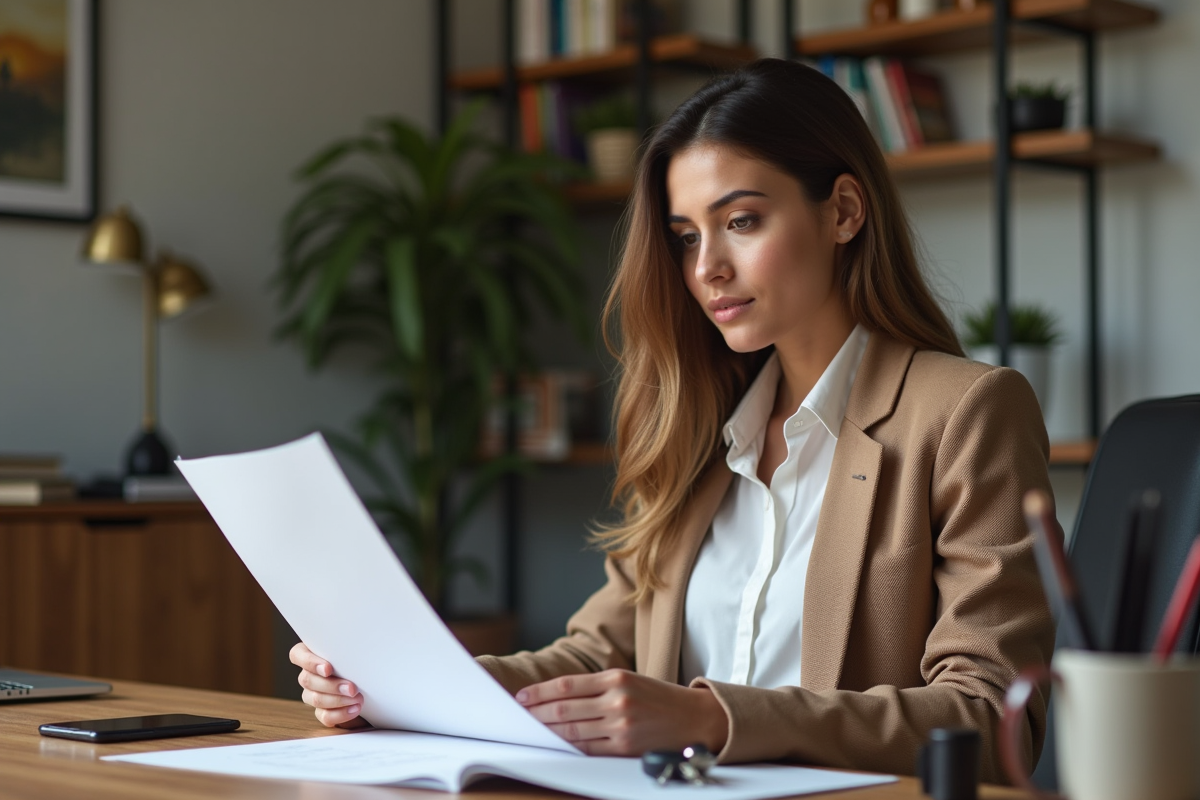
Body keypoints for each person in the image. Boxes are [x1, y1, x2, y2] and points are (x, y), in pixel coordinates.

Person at [290, 58, 1055, 784]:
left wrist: (709, 716)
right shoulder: (700, 425)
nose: (707, 268)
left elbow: (992, 717)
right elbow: (600, 652)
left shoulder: (963, 412)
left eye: (743, 221)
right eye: (687, 237)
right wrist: (402, 688)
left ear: (844, 212)